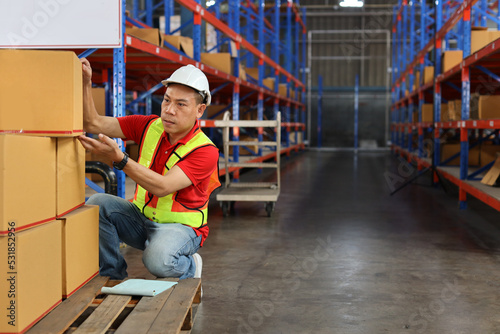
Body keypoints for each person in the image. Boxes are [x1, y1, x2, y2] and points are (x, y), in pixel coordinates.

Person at [78, 58, 220, 281]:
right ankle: (112, 276)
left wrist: (120, 160)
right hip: (142, 218)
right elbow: (93, 123)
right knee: (97, 204)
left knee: (158, 261)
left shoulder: (205, 151)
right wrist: (86, 82)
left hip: (181, 229)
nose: (169, 110)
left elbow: (163, 187)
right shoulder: (148, 126)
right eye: (166, 100)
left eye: (181, 104)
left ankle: (190, 266)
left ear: (199, 110)